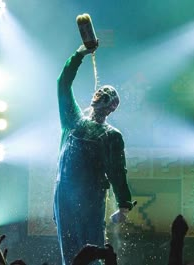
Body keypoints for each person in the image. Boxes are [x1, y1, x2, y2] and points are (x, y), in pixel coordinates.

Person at [53, 43, 134, 265]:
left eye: (107, 94)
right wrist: (79, 54)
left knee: (92, 246)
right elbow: (63, 84)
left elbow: (118, 171)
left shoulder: (111, 135)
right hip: (64, 193)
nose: (101, 93)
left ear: (112, 107)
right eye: (100, 90)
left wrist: (123, 205)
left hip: (91, 196)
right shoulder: (72, 121)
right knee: (68, 250)